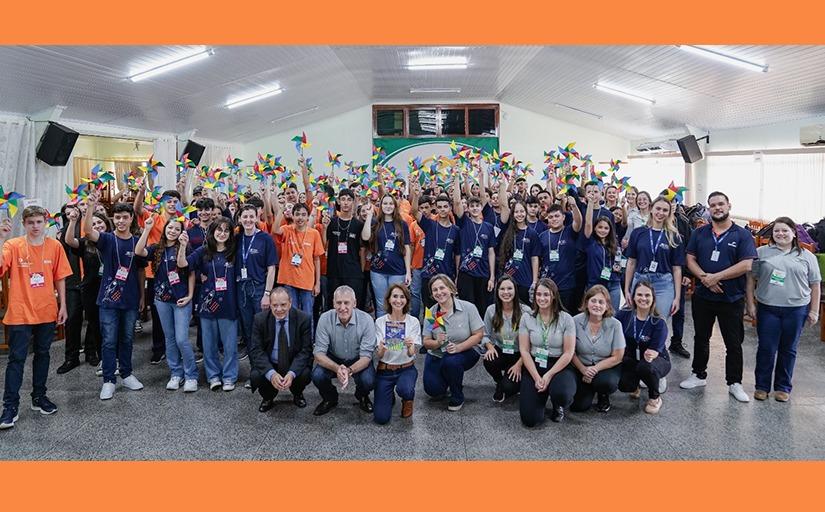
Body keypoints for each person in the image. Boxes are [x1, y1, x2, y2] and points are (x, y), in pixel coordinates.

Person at [680, 191, 757, 403]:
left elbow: (747, 264)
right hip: (703, 297)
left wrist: (717, 277)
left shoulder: (742, 235)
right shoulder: (700, 233)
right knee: (701, 337)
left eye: (720, 204)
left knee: (733, 342)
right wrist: (705, 278)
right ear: (708, 208)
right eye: (712, 205)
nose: (717, 208)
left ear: (729, 205)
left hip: (731, 299)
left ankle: (734, 382)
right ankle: (698, 374)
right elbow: (690, 258)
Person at [0, 208, 71, 430]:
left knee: (43, 354)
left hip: (46, 310)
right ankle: (10, 406)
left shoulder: (55, 246)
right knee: (16, 359)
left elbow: (60, 277)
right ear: (24, 223)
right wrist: (1, 237)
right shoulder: (13, 245)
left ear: (45, 222)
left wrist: (63, 306)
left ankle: (39, 396)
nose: (35, 226)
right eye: (30, 222)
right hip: (20, 311)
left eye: (39, 221)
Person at [746, 217, 820, 402]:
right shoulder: (761, 252)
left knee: (789, 349)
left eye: (785, 230)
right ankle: (762, 386)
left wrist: (814, 310)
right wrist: (750, 303)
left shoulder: (806, 256)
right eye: (777, 231)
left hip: (796, 310)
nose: (781, 234)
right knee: (766, 348)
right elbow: (750, 279)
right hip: (768, 308)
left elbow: (815, 285)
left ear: (794, 233)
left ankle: (783, 387)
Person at [84, 190, 147, 401]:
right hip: (108, 300)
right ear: (114, 219)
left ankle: (127, 374)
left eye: (125, 217)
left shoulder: (137, 242)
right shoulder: (107, 239)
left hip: (129, 299)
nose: (120, 221)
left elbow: (140, 271)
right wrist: (91, 206)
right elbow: (87, 232)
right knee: (109, 340)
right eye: (117, 217)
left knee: (127, 339)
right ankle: (109, 380)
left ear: (131, 220)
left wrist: (141, 297)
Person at [135, 217, 197, 392]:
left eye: (177, 229)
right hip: (161, 300)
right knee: (169, 338)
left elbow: (190, 272)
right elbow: (139, 251)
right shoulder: (157, 248)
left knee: (182, 339)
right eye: (170, 228)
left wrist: (191, 295)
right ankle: (176, 373)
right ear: (164, 229)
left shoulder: (185, 246)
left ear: (181, 232)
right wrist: (147, 230)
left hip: (181, 299)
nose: (172, 231)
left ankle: (191, 375)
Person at [185, 217, 239, 392]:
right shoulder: (203, 251)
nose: (222, 233)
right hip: (207, 304)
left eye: (226, 230)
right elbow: (184, 264)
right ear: (212, 231)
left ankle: (230, 376)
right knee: (209, 344)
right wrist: (182, 245)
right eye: (219, 229)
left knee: (230, 345)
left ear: (230, 234)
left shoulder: (234, 252)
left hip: (229, 304)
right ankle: (213, 375)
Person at [518, 278, 577, 426]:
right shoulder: (527, 318)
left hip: (559, 364)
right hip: (535, 363)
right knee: (530, 420)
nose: (541, 298)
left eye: (546, 294)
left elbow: (568, 353)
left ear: (554, 296)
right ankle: (541, 395)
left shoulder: (566, 319)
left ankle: (558, 404)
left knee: (562, 394)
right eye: (538, 294)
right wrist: (537, 377)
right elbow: (524, 351)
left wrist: (548, 375)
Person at [422, 274, 484, 411]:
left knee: (452, 362)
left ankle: (457, 395)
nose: (439, 292)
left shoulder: (468, 308)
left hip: (465, 351)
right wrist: (437, 342)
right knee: (433, 390)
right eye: (435, 290)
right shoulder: (431, 314)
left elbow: (479, 335)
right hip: (438, 354)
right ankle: (450, 378)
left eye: (442, 288)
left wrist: (459, 347)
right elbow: (426, 342)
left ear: (450, 289)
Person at [312, 285, 376, 416]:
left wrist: (348, 370)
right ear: (333, 303)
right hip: (333, 357)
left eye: (346, 303)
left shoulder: (367, 320)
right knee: (317, 375)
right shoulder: (324, 318)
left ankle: (362, 396)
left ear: (355, 303)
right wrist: (337, 368)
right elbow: (319, 355)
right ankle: (329, 398)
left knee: (369, 380)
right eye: (338, 303)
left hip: (357, 358)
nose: (342, 307)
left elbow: (366, 357)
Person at [248, 287, 313, 412]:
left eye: (283, 305)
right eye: (275, 305)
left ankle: (297, 393)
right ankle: (267, 397)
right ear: (270, 305)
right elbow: (256, 350)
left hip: (292, 362)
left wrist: (292, 373)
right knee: (256, 375)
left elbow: (306, 351)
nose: (279, 309)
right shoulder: (260, 320)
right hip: (271, 362)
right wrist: (271, 374)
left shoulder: (303, 319)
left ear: (290, 302)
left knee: (305, 373)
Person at [63, 207, 110, 374]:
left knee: (110, 326)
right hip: (90, 289)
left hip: (111, 290)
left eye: (100, 222)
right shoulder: (85, 243)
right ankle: (103, 358)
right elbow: (69, 241)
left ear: (107, 224)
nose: (97, 225)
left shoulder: (113, 240)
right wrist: (73, 221)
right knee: (95, 325)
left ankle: (114, 358)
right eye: (94, 223)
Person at [624, 196, 683, 322]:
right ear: (651, 209)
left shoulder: (673, 236)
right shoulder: (638, 233)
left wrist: (677, 297)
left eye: (665, 210)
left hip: (663, 283)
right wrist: (627, 289)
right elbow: (631, 263)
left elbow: (677, 268)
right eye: (658, 209)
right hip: (640, 280)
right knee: (638, 321)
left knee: (659, 322)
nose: (660, 213)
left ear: (669, 213)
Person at [616, 281, 670, 414]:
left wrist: (652, 354)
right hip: (633, 358)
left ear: (653, 298)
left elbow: (655, 351)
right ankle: (636, 385)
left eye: (647, 295)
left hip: (655, 360)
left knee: (645, 367)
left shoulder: (658, 322)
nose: (643, 298)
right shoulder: (624, 315)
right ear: (633, 297)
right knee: (624, 385)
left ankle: (655, 397)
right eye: (639, 294)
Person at [571, 285, 625, 413]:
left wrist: (594, 369)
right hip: (581, 366)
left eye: (601, 302)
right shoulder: (574, 321)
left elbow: (618, 356)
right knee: (579, 407)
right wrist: (583, 370)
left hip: (605, 367)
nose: (597, 305)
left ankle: (603, 394)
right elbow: (570, 352)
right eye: (593, 301)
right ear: (586, 303)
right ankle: (588, 386)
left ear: (607, 306)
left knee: (607, 383)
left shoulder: (615, 325)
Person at [373, 284, 421, 424]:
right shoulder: (380, 322)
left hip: (406, 368)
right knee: (381, 418)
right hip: (385, 370)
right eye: (395, 296)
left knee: (405, 389)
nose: (398, 300)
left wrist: (410, 345)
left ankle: (408, 398)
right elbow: (379, 356)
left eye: (402, 297)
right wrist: (381, 348)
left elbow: (412, 353)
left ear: (407, 300)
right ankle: (388, 396)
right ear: (388, 299)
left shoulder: (413, 322)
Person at [236, 204, 277, 359]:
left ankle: (267, 367)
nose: (248, 220)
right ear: (240, 219)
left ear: (257, 217)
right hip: (241, 288)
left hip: (259, 288)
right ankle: (254, 370)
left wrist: (267, 293)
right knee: (247, 329)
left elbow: (271, 268)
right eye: (245, 217)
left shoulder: (265, 238)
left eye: (251, 216)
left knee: (262, 328)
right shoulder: (237, 238)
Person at [361, 194, 411, 318]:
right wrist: (368, 216)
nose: (388, 206)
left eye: (390, 204)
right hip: (378, 271)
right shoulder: (375, 223)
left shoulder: (402, 224)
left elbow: (406, 248)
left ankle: (398, 333)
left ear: (395, 206)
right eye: (385, 203)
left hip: (397, 271)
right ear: (380, 206)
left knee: (397, 303)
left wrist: (408, 272)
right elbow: (365, 237)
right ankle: (381, 334)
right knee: (381, 305)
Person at [482, 276, 531, 402]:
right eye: (502, 289)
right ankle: (499, 381)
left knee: (509, 388)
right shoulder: (491, 310)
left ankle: (510, 382)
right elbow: (484, 334)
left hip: (521, 354)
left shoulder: (526, 311)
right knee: (489, 359)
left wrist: (519, 365)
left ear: (515, 290)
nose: (506, 292)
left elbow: (531, 343)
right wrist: (490, 347)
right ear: (497, 291)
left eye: (509, 288)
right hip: (502, 350)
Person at [273, 202, 323, 323]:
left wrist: (317, 283)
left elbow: (317, 259)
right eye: (297, 214)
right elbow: (275, 229)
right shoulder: (287, 229)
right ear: (293, 216)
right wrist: (280, 210)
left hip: (307, 282)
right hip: (289, 281)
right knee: (291, 314)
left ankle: (308, 341)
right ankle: (294, 342)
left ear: (308, 217)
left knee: (307, 315)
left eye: (303, 214)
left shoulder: (314, 233)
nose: (300, 217)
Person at [412, 187, 460, 308]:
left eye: (445, 206)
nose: (442, 209)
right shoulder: (430, 225)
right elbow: (414, 211)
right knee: (429, 310)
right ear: (436, 208)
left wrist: (457, 274)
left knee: (445, 308)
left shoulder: (456, 230)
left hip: (446, 275)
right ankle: (430, 327)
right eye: (439, 207)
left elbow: (457, 254)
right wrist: (416, 195)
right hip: (428, 274)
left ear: (450, 208)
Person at [324, 189, 366, 310]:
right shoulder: (331, 222)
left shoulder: (358, 225)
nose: (346, 203)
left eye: (349, 200)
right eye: (343, 199)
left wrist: (361, 271)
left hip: (353, 273)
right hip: (334, 272)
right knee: (333, 307)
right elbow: (324, 244)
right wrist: (324, 228)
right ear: (338, 201)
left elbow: (362, 249)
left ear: (353, 202)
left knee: (353, 307)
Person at [539, 198, 582, 313]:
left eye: (557, 216)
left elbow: (578, 222)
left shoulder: (570, 231)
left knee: (565, 317)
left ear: (563, 217)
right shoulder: (542, 236)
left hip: (567, 286)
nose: (554, 219)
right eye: (551, 217)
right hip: (548, 285)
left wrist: (574, 206)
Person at [453, 195, 496, 308]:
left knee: (483, 308)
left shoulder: (489, 227)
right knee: (467, 308)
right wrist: (456, 177)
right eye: (472, 206)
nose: (475, 208)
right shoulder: (463, 222)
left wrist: (492, 276)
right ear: (467, 208)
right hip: (466, 273)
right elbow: (457, 202)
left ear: (482, 207)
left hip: (483, 273)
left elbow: (491, 252)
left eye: (477, 206)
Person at [498, 197, 540, 305]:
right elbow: (503, 205)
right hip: (509, 278)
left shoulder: (532, 233)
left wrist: (534, 281)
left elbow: (534, 258)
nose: (519, 214)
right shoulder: (508, 231)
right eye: (516, 212)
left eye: (522, 211)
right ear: (512, 214)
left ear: (526, 212)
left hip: (526, 279)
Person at [582, 199, 623, 310]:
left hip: (613, 284)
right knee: (595, 314)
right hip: (595, 284)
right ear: (595, 228)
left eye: (606, 228)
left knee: (612, 315)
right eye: (600, 227)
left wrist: (619, 268)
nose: (603, 230)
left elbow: (620, 261)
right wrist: (591, 203)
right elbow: (588, 223)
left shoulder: (614, 243)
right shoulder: (590, 242)